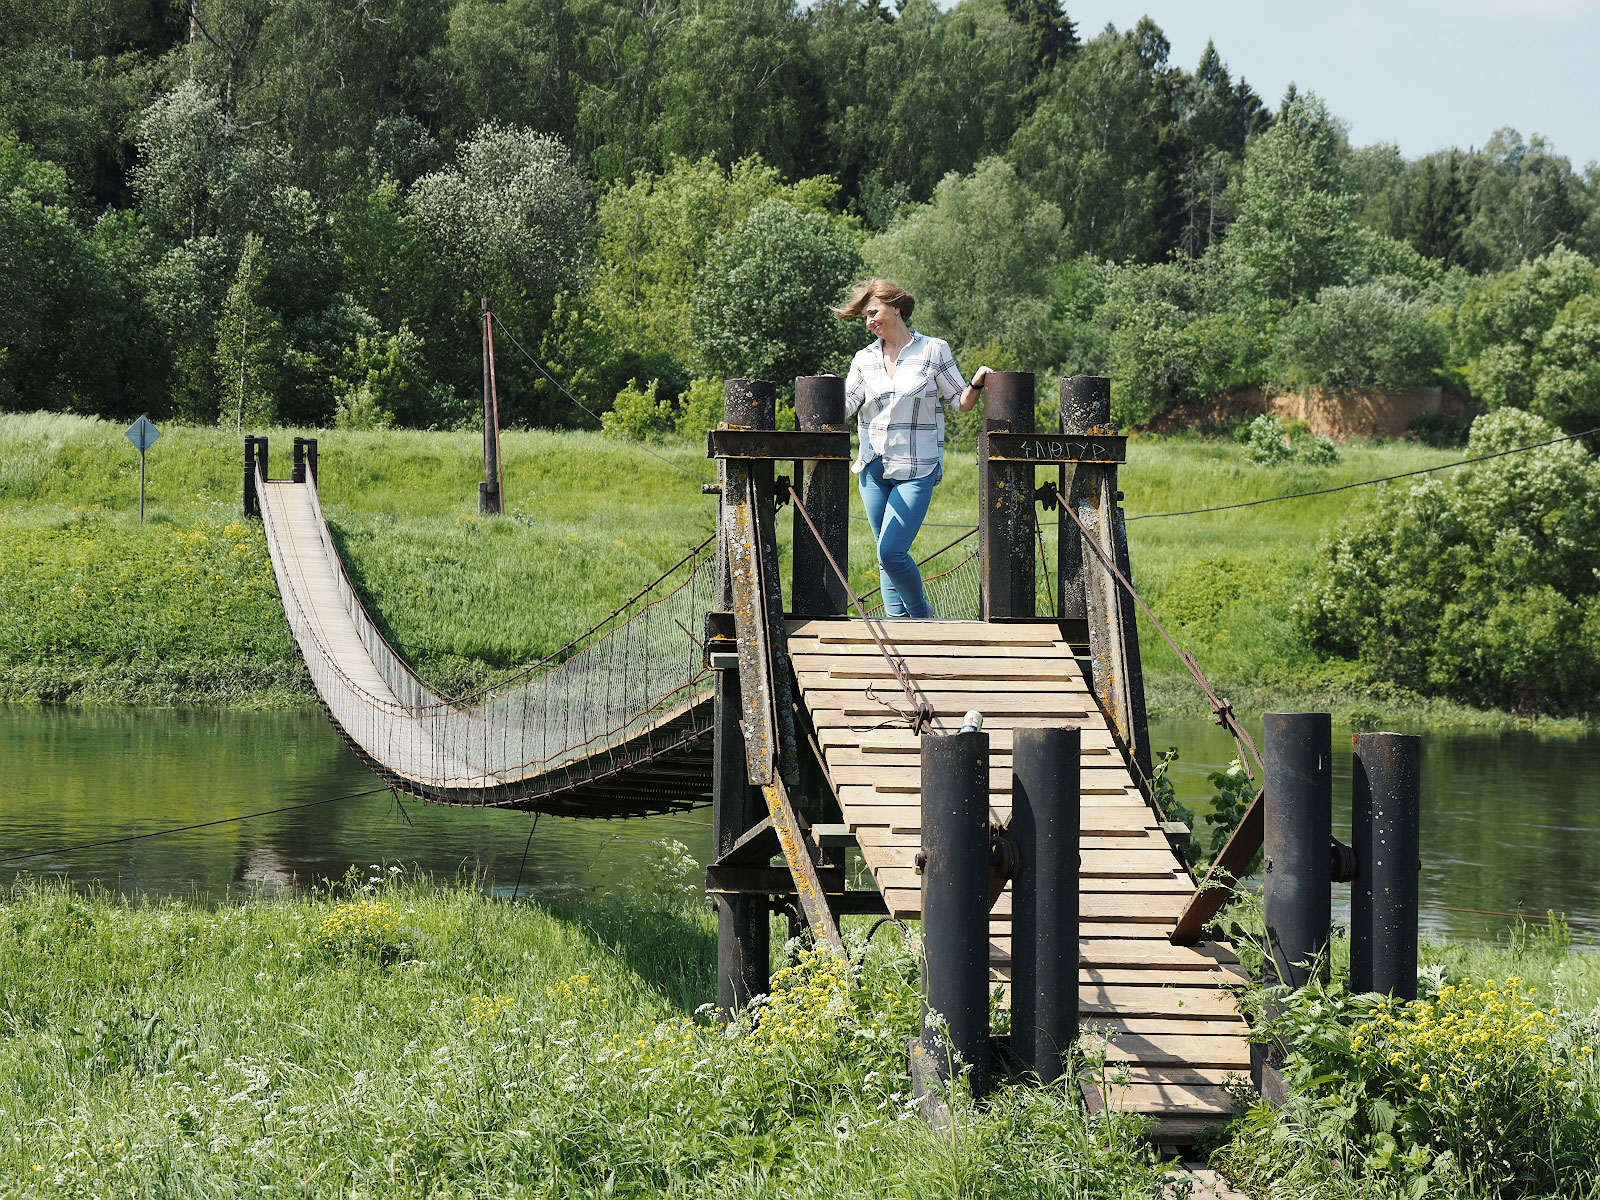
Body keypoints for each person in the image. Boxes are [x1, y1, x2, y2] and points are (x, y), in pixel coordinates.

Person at [833, 279, 990, 619]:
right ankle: (898, 631)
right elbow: (846, 405)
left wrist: (977, 382)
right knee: (882, 553)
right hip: (873, 467)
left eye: (873, 312)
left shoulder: (933, 350)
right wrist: (823, 394)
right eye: (864, 317)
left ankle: (920, 615)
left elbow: (960, 401)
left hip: (917, 466)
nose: (869, 321)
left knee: (891, 551)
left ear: (896, 308)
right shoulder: (864, 358)